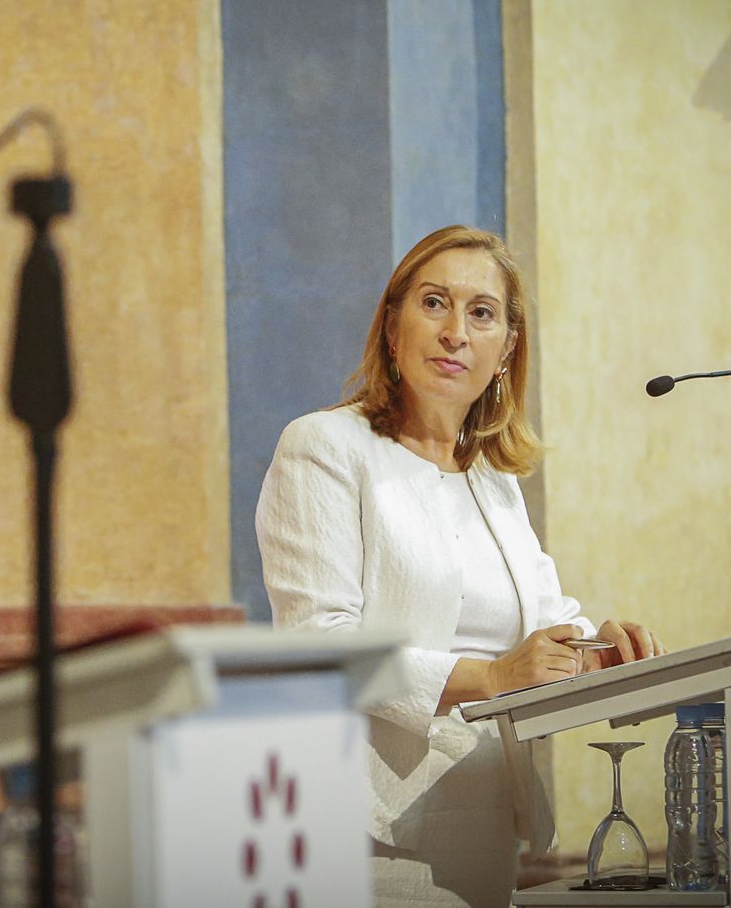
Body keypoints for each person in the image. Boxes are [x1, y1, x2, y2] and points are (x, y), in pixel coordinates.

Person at [256, 225, 663, 908]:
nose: (455, 332)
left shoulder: (491, 480)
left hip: (481, 818)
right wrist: (491, 677)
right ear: (393, 327)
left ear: (507, 349)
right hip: (366, 827)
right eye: (434, 303)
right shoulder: (325, 446)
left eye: (482, 313)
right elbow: (317, 642)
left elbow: (545, 620)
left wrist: (601, 649)